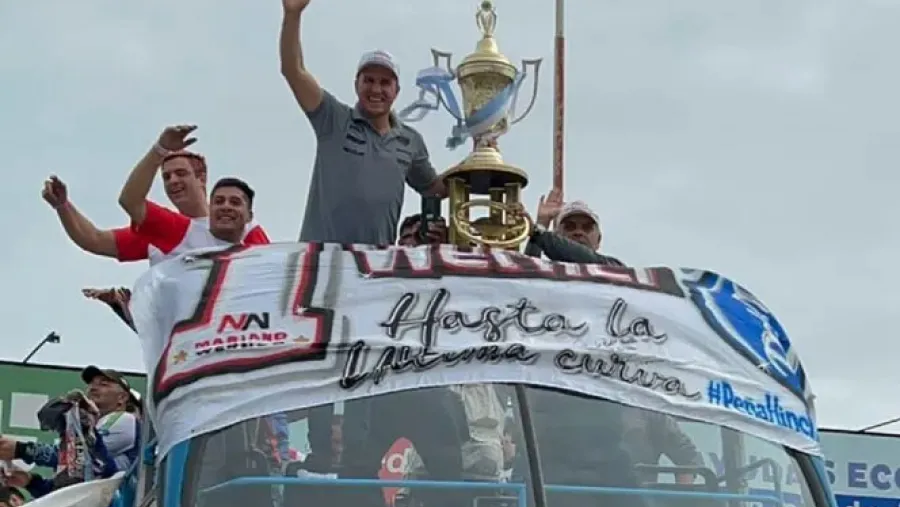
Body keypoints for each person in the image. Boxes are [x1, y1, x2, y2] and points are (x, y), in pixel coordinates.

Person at [279, 0, 446, 246]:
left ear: (396, 90)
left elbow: (434, 188)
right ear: (356, 84)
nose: (376, 89)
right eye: (369, 80)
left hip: (375, 266)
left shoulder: (410, 141)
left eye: (384, 82)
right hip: (322, 259)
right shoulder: (334, 118)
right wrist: (292, 15)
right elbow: (293, 70)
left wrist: (476, 159)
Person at [42, 142, 263, 264]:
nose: (173, 181)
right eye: (166, 177)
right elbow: (94, 240)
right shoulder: (160, 231)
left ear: (201, 178)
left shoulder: (244, 227)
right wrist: (63, 206)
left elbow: (278, 274)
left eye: (180, 173)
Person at [0, 367, 141, 498]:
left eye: (103, 384)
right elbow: (65, 489)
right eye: (91, 384)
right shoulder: (88, 430)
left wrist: (22, 450)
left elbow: (78, 458)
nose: (93, 388)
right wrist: (30, 481)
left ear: (122, 398)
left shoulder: (124, 419)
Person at [522, 188, 624, 266]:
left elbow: (585, 257)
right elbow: (525, 275)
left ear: (599, 240)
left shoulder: (614, 268)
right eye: (569, 226)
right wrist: (541, 224)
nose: (578, 232)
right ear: (556, 235)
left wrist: (537, 232)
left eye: (587, 227)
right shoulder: (548, 276)